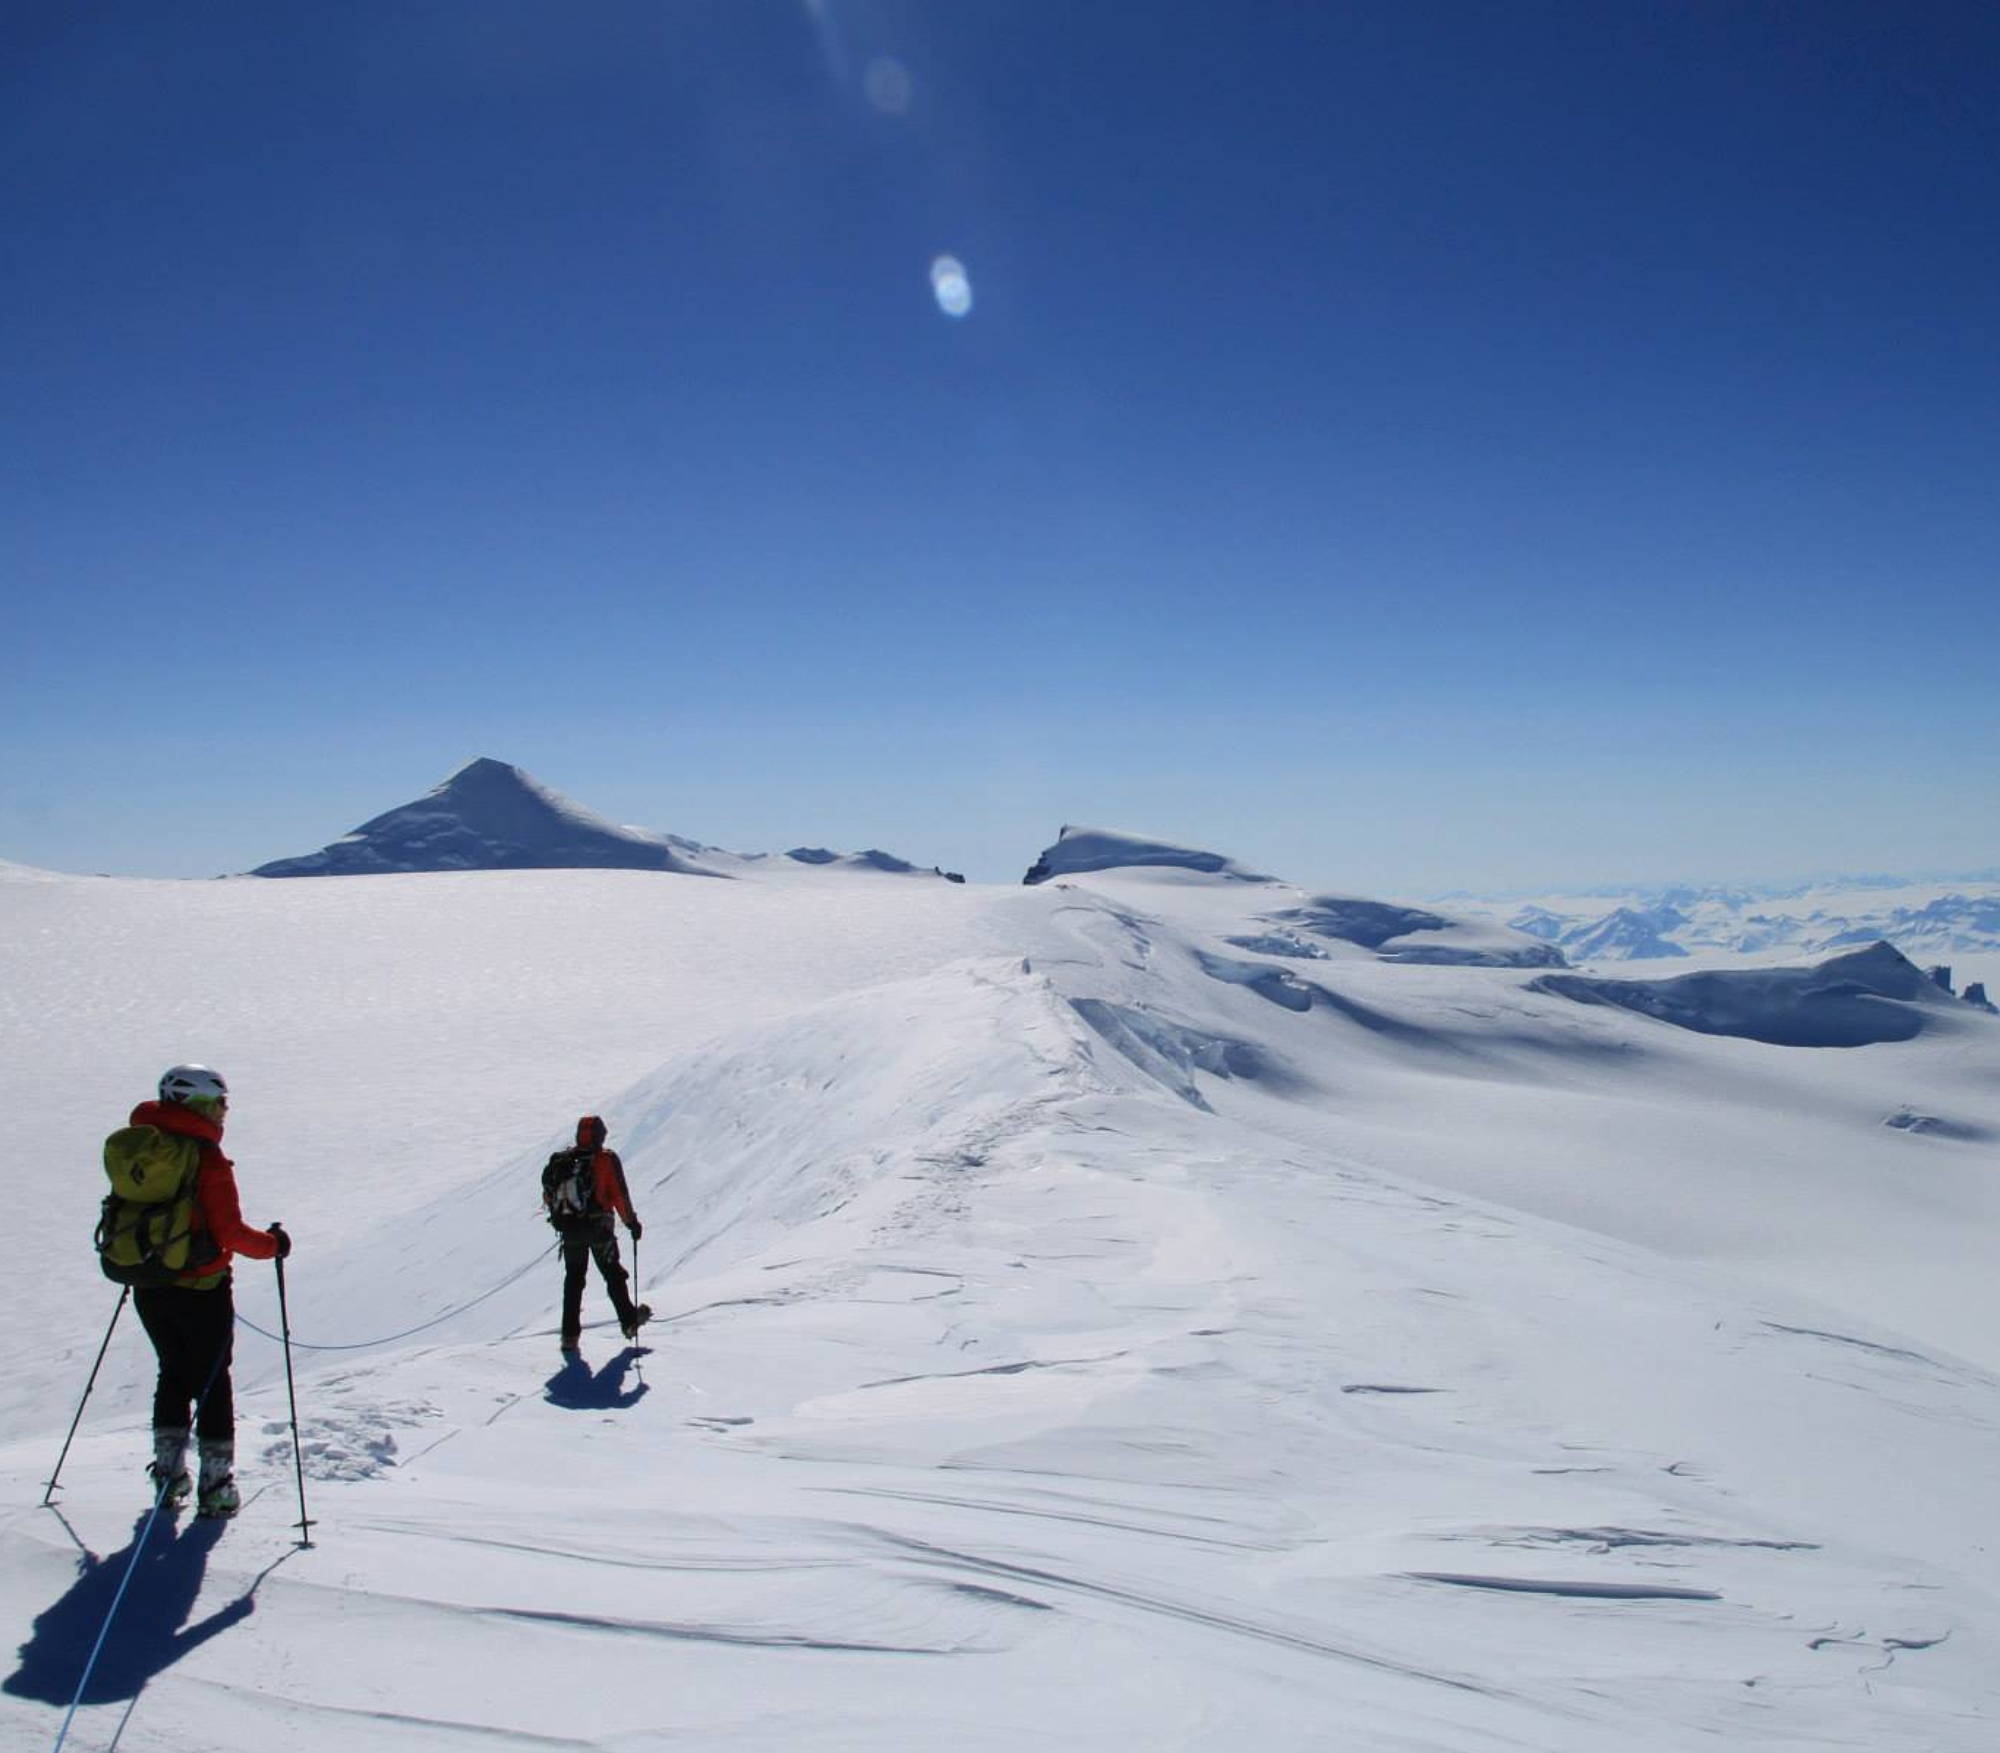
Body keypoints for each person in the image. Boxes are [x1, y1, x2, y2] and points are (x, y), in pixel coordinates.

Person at [122, 1064, 287, 1518]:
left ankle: (168, 1478)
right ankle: (216, 1487)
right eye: (220, 1102)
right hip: (202, 1287)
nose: (224, 1111)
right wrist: (274, 1245)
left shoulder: (142, 1149)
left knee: (172, 1373)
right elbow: (230, 1233)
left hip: (149, 1284)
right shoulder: (206, 1159)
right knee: (213, 1384)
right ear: (198, 1103)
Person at [544, 1115, 650, 1350]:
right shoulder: (605, 1160)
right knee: (613, 1275)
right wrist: (632, 1223)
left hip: (570, 1231)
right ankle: (628, 1320)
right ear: (600, 1136)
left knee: (573, 1280)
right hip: (599, 1229)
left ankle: (569, 1336)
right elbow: (619, 1195)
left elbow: (548, 1196)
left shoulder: (564, 1161)